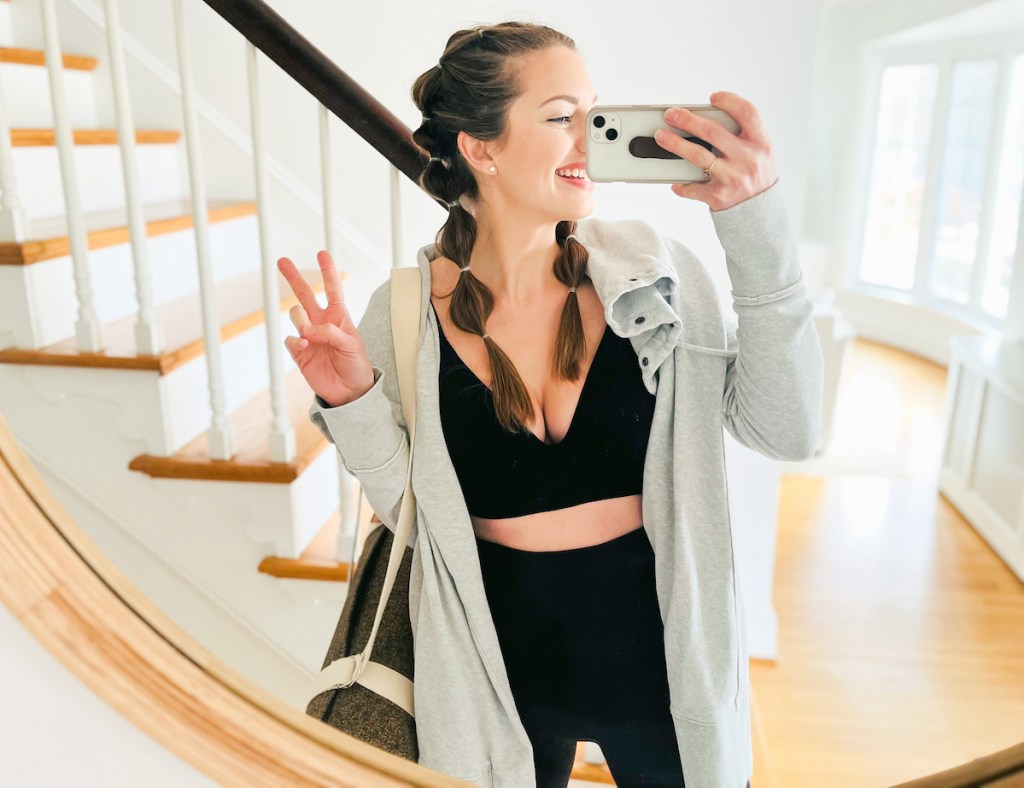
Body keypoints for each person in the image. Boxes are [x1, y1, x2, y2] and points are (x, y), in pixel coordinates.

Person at [277, 21, 822, 788]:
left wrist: (753, 220)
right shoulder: (400, 317)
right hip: (495, 680)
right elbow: (419, 521)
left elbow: (789, 428)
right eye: (563, 116)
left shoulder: (657, 282)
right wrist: (352, 399)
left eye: (595, 114)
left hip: (663, 668)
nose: (589, 140)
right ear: (482, 147)